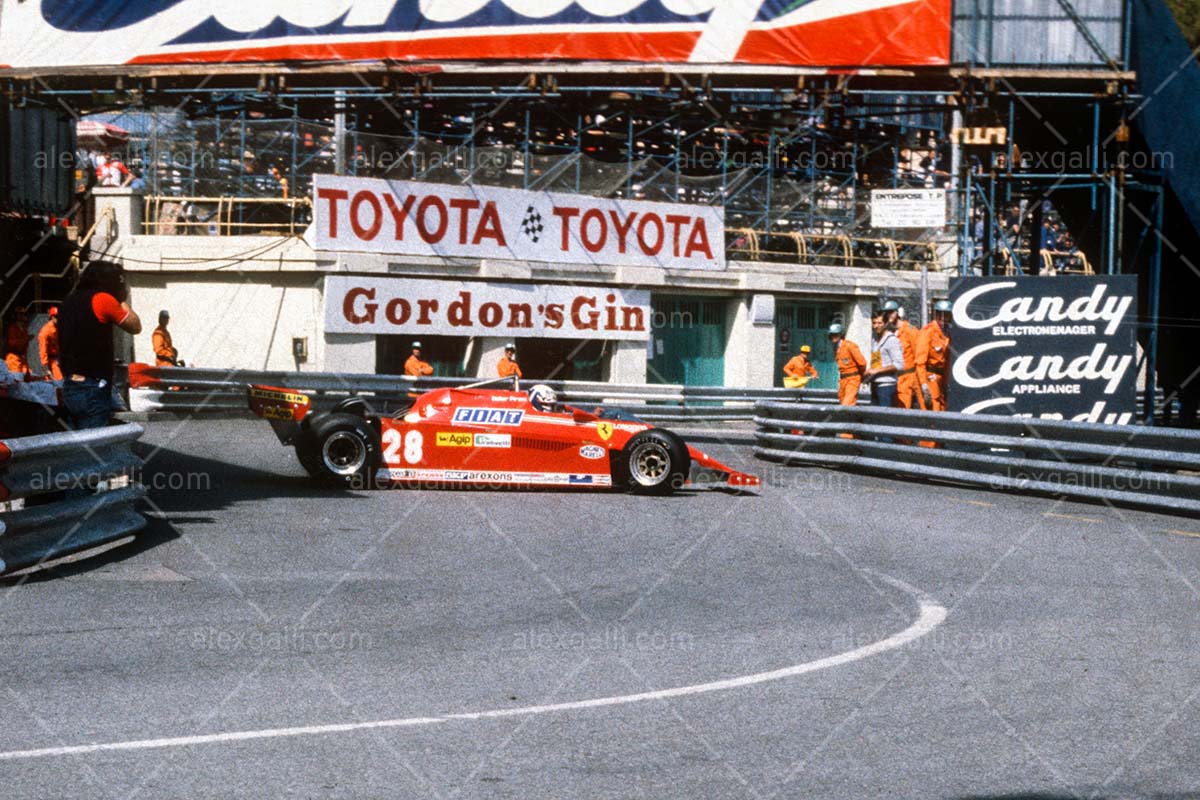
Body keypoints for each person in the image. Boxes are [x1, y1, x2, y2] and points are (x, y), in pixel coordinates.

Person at [58, 260, 142, 428]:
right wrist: (119, 299)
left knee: (76, 440)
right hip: (93, 385)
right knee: (94, 440)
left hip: (71, 383)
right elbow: (135, 326)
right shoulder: (103, 299)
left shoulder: (69, 301)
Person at [883, 300, 926, 410]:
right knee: (900, 409)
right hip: (896, 377)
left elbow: (919, 355)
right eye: (887, 313)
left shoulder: (910, 331)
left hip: (911, 375)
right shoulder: (888, 333)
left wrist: (921, 380)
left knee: (924, 407)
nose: (889, 315)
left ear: (897, 313)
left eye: (891, 312)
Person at [916, 300, 953, 412]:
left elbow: (946, 361)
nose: (943, 318)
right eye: (940, 314)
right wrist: (923, 384)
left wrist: (946, 383)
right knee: (933, 411)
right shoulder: (928, 332)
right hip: (928, 376)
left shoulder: (947, 334)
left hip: (940, 379)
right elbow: (920, 362)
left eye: (946, 315)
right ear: (935, 314)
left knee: (942, 409)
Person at [864, 310, 902, 408]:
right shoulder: (874, 339)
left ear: (885, 324)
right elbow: (876, 362)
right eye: (874, 323)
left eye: (880, 323)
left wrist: (877, 371)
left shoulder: (892, 340)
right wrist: (869, 375)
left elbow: (899, 365)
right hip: (875, 384)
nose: (876, 326)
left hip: (886, 386)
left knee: (883, 418)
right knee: (873, 418)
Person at [828, 323, 866, 406]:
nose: (833, 336)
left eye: (836, 334)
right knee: (842, 401)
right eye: (831, 335)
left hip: (852, 378)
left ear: (841, 335)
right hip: (843, 380)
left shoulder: (849, 346)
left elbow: (862, 363)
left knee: (847, 404)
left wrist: (861, 376)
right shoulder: (836, 348)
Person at [5, 306, 32, 376]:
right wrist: (26, 339)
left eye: (24, 314)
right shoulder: (13, 328)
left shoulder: (24, 329)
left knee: (28, 378)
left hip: (22, 358)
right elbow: (12, 343)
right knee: (17, 380)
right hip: (14, 358)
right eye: (21, 314)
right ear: (17, 316)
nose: (24, 316)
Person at [38, 306, 63, 380]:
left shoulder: (58, 327)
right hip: (51, 361)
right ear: (52, 317)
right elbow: (43, 348)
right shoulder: (46, 330)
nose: (59, 318)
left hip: (58, 359)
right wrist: (45, 366)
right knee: (59, 381)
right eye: (56, 317)